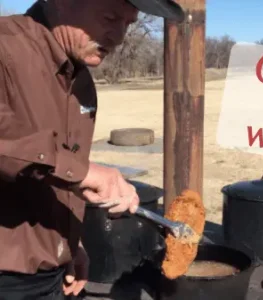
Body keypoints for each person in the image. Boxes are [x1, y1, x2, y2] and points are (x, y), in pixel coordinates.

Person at [0, 0, 184, 299]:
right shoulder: (5, 45)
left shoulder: (80, 79)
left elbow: (54, 179)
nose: (120, 35)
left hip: (55, 274)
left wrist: (70, 241)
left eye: (129, 24)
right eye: (111, 17)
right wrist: (86, 173)